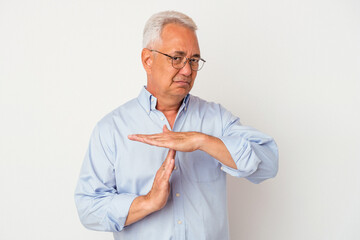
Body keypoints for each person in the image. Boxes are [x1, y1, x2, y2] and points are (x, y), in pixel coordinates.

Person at [74, 10, 278, 240]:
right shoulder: (112, 129)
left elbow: (268, 163)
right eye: (177, 58)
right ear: (147, 60)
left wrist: (203, 141)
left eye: (193, 60)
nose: (187, 70)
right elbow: (88, 207)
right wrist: (147, 202)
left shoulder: (215, 118)